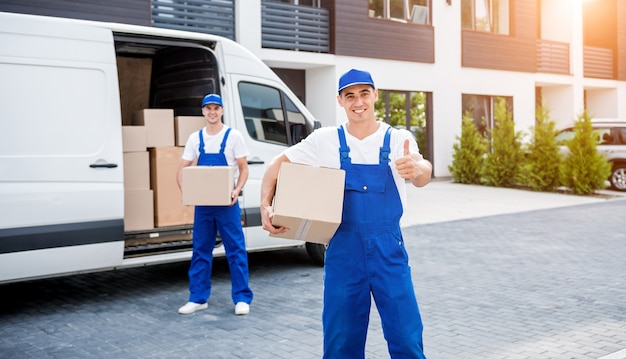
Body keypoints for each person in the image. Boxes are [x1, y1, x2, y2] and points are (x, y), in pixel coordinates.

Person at [260, 69, 432, 358]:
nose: (358, 102)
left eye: (364, 93)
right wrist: (265, 204)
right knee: (341, 346)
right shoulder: (324, 140)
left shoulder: (397, 139)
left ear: (375, 96)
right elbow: (275, 165)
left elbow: (422, 170)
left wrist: (418, 169)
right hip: (343, 253)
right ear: (340, 100)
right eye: (350, 96)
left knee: (406, 339)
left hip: (389, 251)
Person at [177, 93, 253, 316]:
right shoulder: (195, 138)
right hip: (203, 205)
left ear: (221, 111)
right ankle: (198, 298)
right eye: (208, 108)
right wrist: (187, 193)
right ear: (203, 111)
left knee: (235, 250)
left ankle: (241, 298)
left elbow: (244, 168)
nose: (212, 112)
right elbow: (182, 169)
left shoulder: (233, 136)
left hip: (227, 203)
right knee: (200, 250)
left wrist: (236, 190)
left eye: (216, 108)